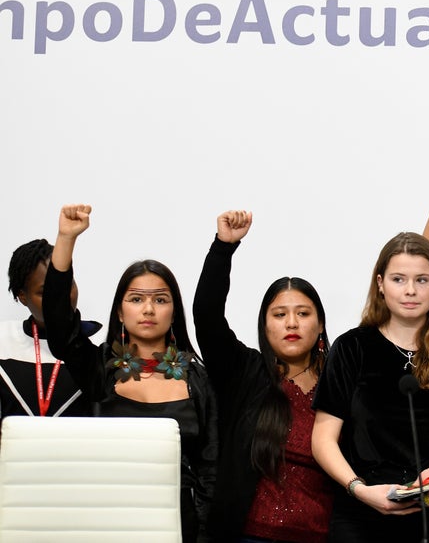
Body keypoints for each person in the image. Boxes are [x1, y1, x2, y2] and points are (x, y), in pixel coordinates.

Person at [43, 204, 218, 542]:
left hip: (177, 523)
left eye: (160, 300)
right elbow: (59, 326)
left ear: (174, 312)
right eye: (136, 299)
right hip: (106, 517)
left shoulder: (198, 380)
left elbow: (211, 472)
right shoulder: (100, 371)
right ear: (120, 313)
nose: (149, 309)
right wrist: (66, 238)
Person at [311, 230, 429, 542]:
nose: (410, 290)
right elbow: (324, 438)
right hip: (361, 515)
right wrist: (359, 489)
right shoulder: (352, 347)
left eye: (422, 280)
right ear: (380, 284)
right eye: (398, 279)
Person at [193, 209, 335, 543]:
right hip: (249, 535)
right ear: (264, 324)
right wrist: (223, 249)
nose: (291, 323)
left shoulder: (338, 380)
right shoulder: (245, 372)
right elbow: (207, 316)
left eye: (302, 313)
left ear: (320, 326)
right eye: (279, 314)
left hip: (322, 535)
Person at [1, 238, 102, 419]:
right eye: (45, 292)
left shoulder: (101, 341)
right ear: (22, 297)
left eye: (67, 285)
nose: (60, 298)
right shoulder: (4, 340)